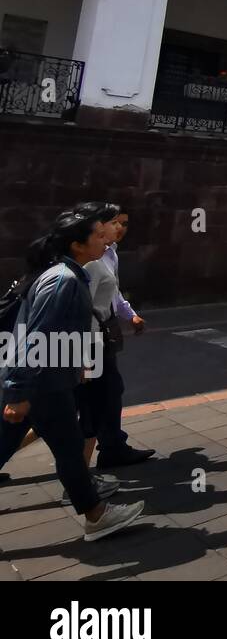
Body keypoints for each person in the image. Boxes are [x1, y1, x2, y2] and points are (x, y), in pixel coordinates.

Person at [1, 210, 144, 541]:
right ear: (78, 244)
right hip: (43, 383)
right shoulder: (63, 279)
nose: (105, 239)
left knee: (58, 449)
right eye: (98, 235)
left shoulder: (70, 273)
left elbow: (62, 330)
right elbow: (35, 336)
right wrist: (18, 391)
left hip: (49, 377)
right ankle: (96, 515)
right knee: (68, 449)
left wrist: (76, 362)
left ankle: (96, 514)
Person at [76, 202, 153, 469]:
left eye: (124, 223)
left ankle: (111, 448)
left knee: (106, 397)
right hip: (90, 341)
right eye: (113, 223)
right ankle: (80, 478)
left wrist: (129, 314)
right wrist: (83, 357)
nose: (119, 228)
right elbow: (82, 310)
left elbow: (113, 291)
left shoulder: (108, 254)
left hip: (101, 335)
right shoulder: (92, 262)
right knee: (84, 408)